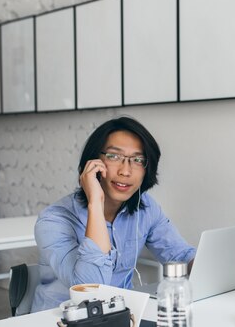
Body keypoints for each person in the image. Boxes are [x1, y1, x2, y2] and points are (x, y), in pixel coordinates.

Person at [31, 116, 195, 312]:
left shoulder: (146, 209)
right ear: (92, 162)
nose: (126, 171)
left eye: (137, 160)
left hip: (121, 320)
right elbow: (91, 289)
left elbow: (180, 255)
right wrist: (96, 203)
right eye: (114, 156)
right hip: (58, 325)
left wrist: (217, 270)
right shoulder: (53, 220)